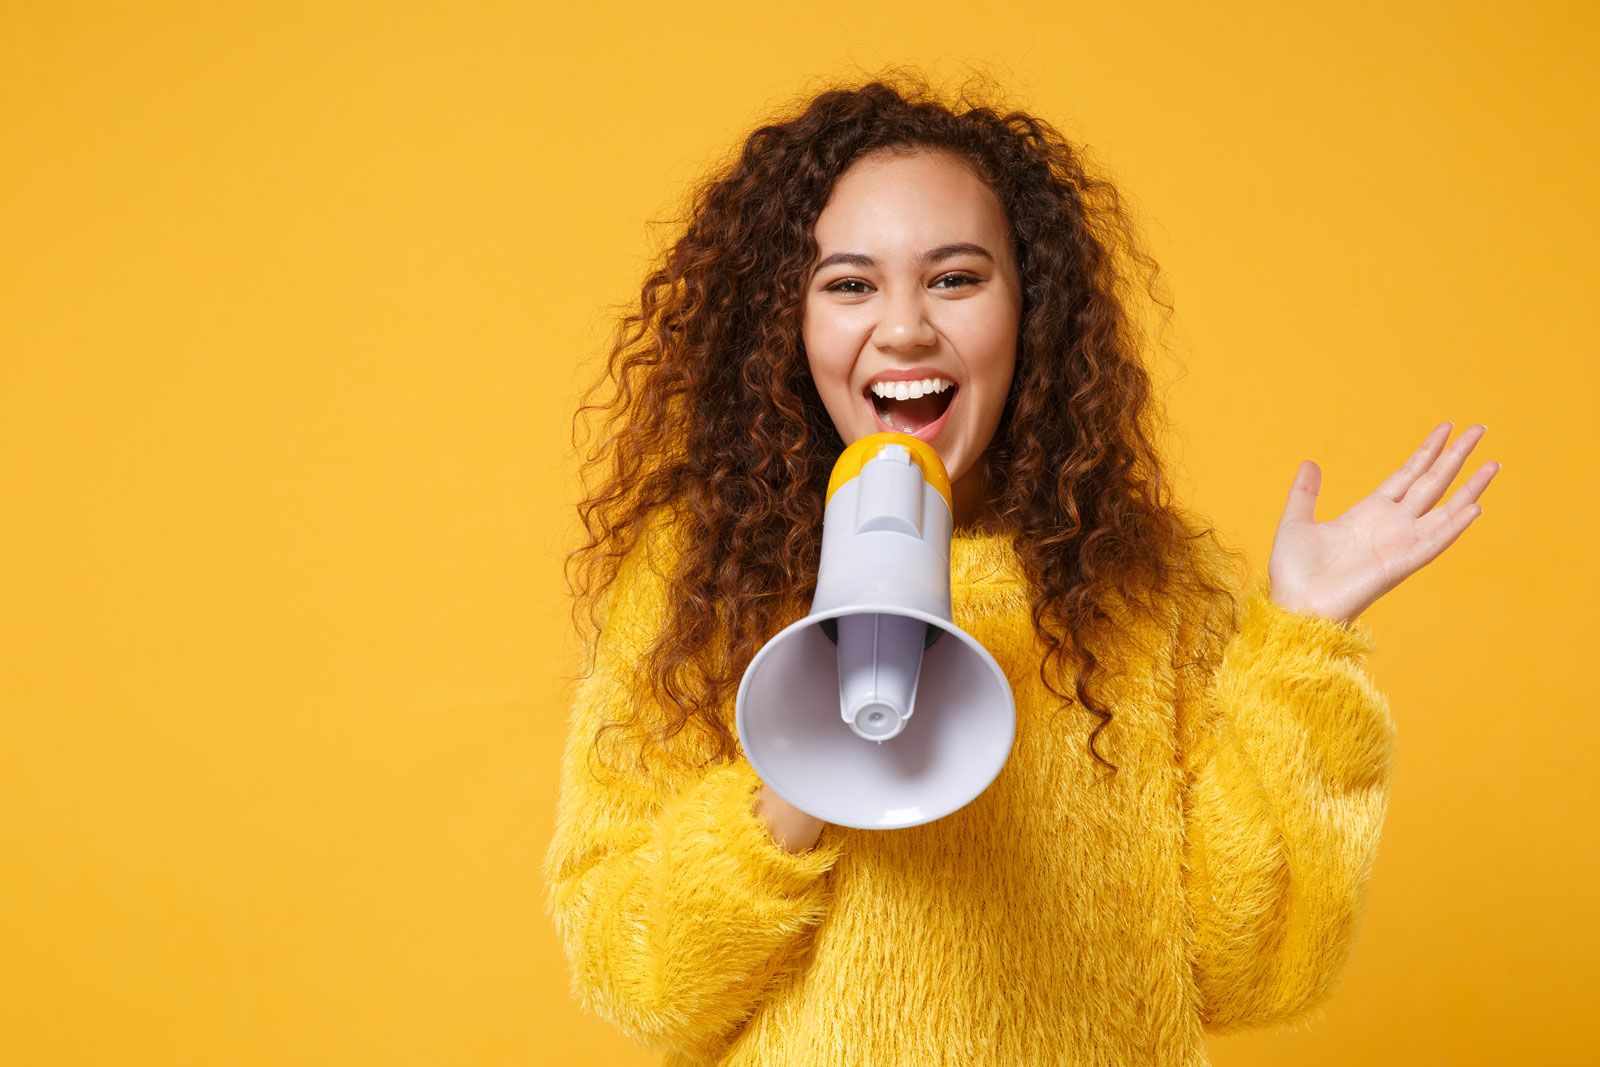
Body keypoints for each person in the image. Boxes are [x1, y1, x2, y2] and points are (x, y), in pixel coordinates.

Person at [540, 72, 1498, 1066]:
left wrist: (1301, 635)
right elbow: (630, 971)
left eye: (954, 277)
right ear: (788, 319)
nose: (905, 326)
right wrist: (799, 775)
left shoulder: (1147, 583)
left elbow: (1257, 970)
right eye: (849, 283)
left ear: (1028, 309)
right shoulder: (704, 574)